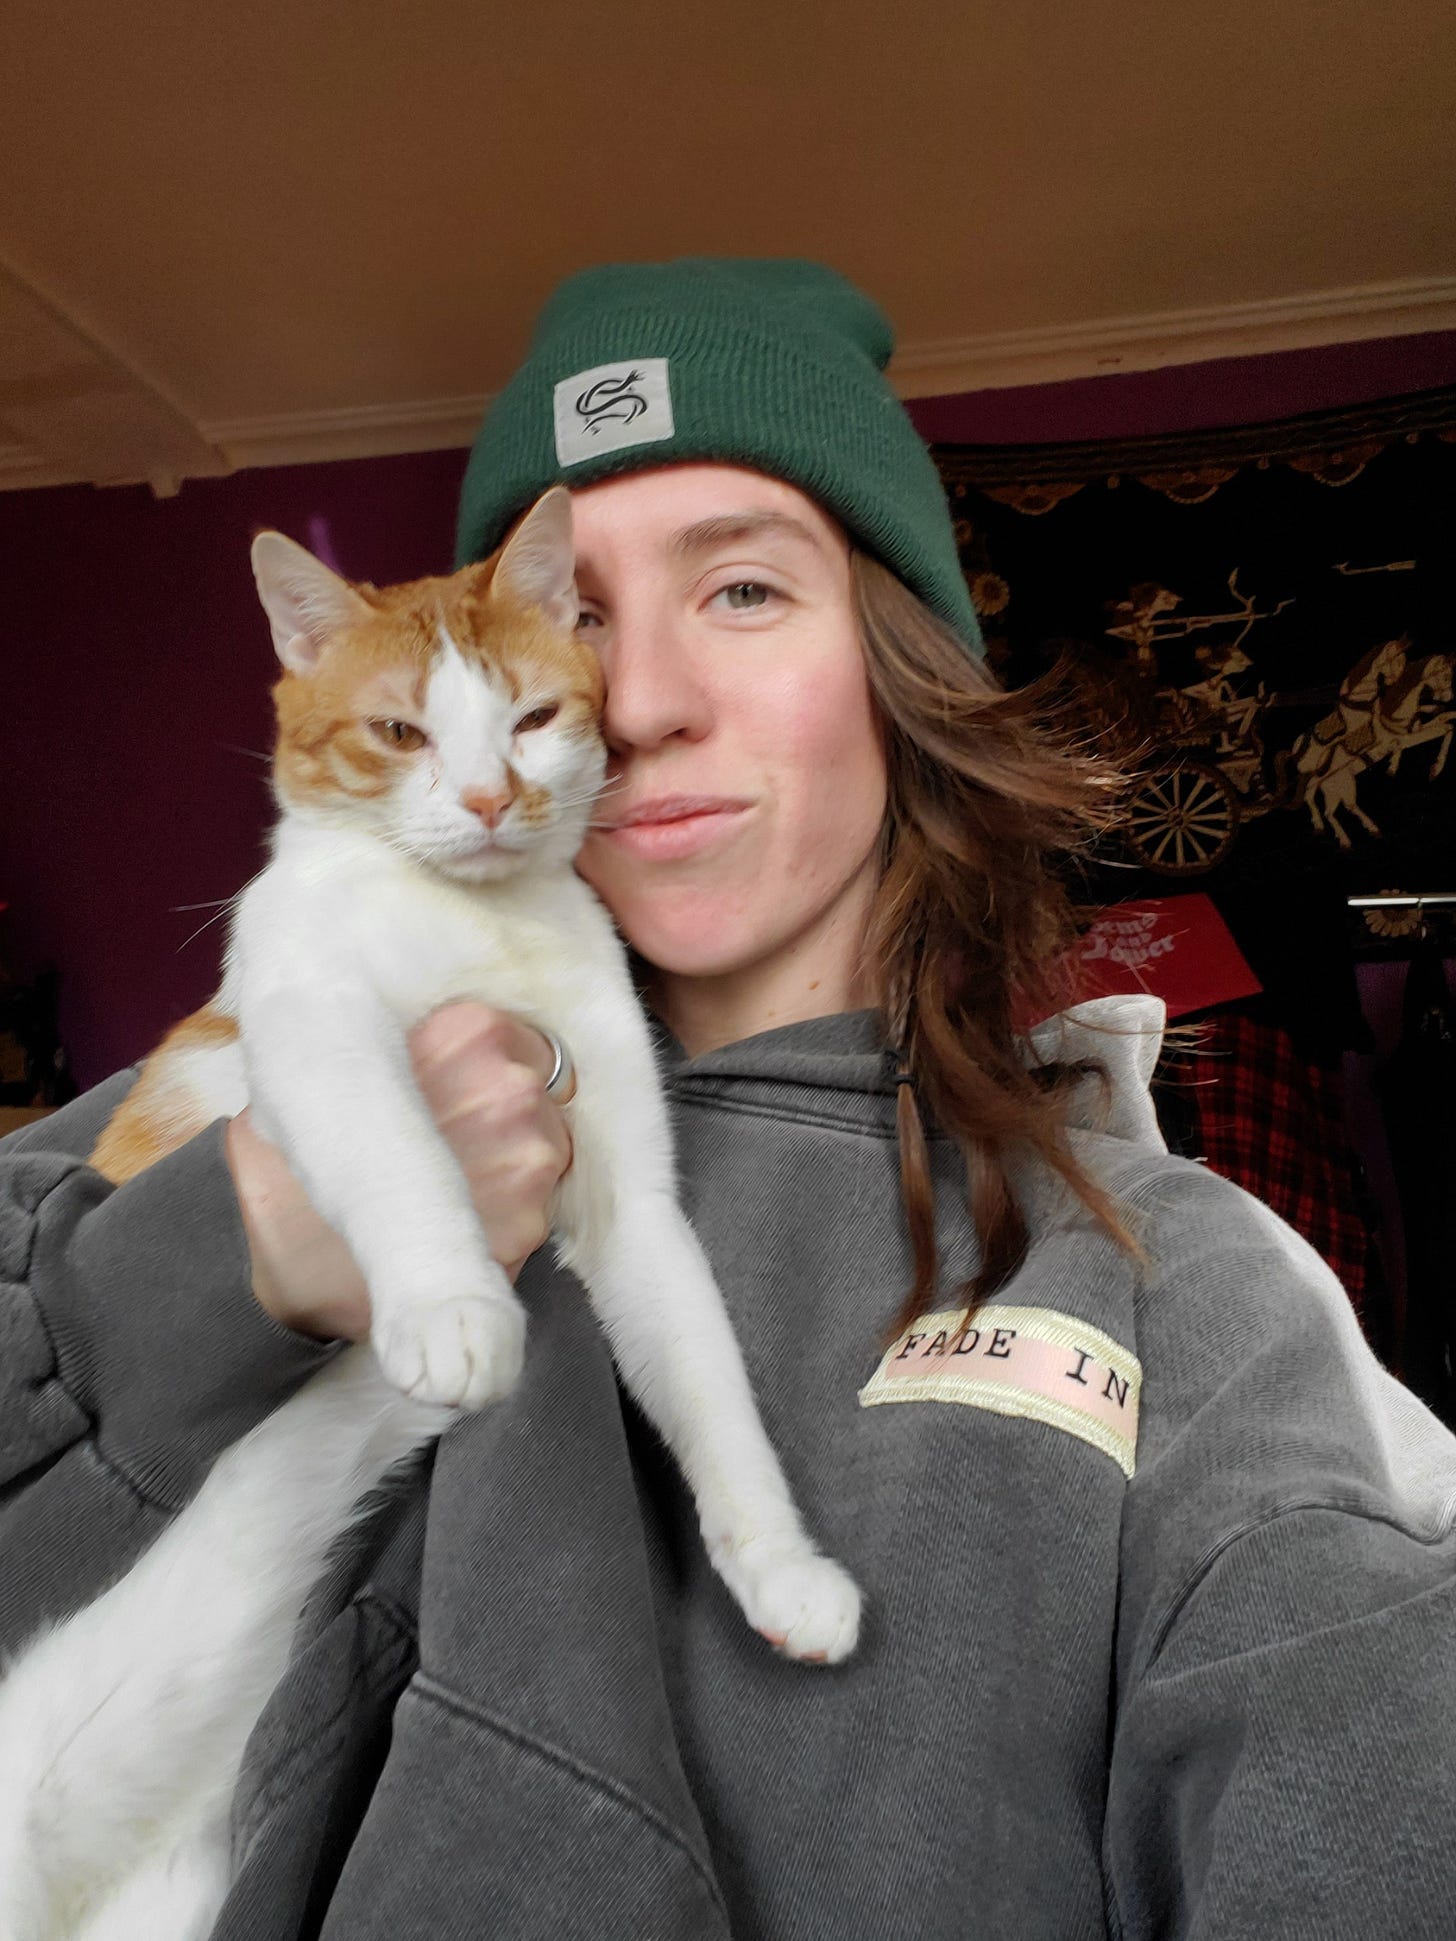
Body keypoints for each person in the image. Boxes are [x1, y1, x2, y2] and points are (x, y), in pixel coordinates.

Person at [2, 258, 1454, 1941]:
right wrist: (222, 1257)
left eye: (746, 591)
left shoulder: (1178, 1277)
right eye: (583, 618)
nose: (637, 702)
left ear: (897, 666)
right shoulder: (224, 1083)